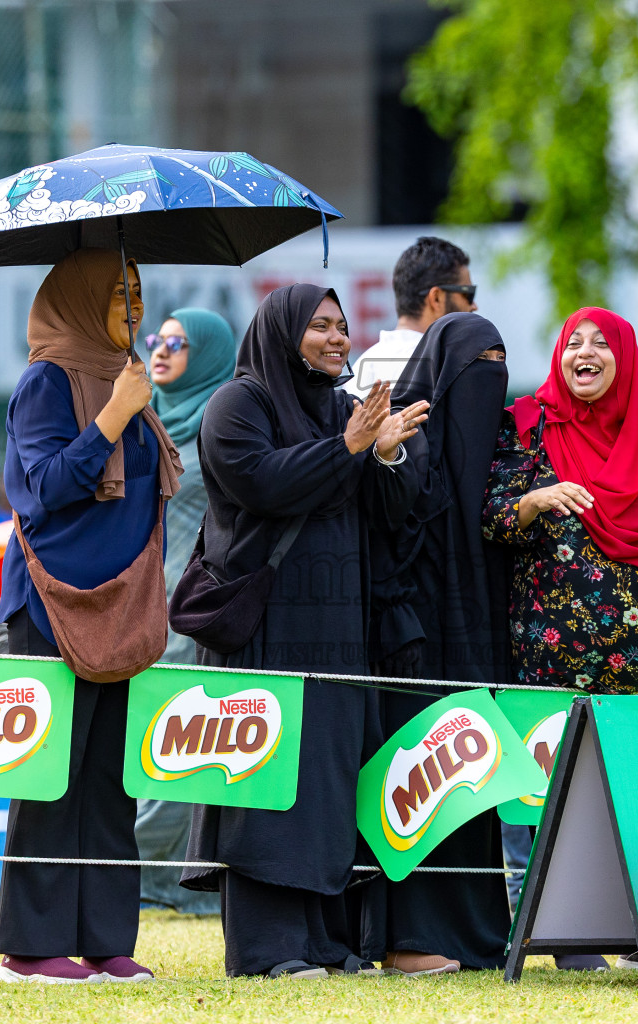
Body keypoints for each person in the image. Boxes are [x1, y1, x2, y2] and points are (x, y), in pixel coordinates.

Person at [180, 284, 428, 980]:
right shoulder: (238, 403)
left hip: (338, 628)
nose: (336, 338)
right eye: (319, 326)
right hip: (265, 629)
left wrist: (382, 456)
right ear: (282, 332)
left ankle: (324, 941)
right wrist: (345, 447)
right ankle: (267, 947)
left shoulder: (345, 407)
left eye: (342, 326)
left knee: (326, 783)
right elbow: (258, 481)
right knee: (266, 781)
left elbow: (387, 511)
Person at [0, 248, 181, 984]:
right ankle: (30, 950)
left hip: (121, 601)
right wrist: (110, 418)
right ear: (77, 300)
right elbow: (40, 489)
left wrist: (126, 403)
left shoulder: (127, 378)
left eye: (137, 292)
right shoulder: (47, 381)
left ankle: (105, 941)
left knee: (108, 780)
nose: (131, 307)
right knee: (52, 778)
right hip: (53, 601)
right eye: (116, 295)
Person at [364, 312, 512, 976]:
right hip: (415, 645)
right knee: (419, 786)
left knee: (471, 787)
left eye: (500, 368)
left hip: (473, 639)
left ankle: (475, 934)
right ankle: (408, 938)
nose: (491, 382)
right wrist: (388, 454)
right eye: (479, 367)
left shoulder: (500, 445)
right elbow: (386, 520)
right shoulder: (409, 432)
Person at [483, 306, 638, 694]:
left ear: (625, 358)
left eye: (602, 344)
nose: (585, 352)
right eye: (573, 343)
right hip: (549, 671)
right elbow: (491, 517)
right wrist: (535, 501)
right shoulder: (529, 427)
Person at [133, 306, 238, 917]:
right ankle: (149, 872)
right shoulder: (141, 421)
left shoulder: (220, 428)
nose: (162, 351)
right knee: (148, 737)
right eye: (157, 339)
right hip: (136, 605)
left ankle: (151, 872)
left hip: (190, 608)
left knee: (181, 737)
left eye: (179, 343)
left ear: (210, 352)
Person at [344, 236, 477, 399]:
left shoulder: (362, 366)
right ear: (436, 298)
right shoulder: (444, 367)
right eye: (468, 294)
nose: (474, 306)